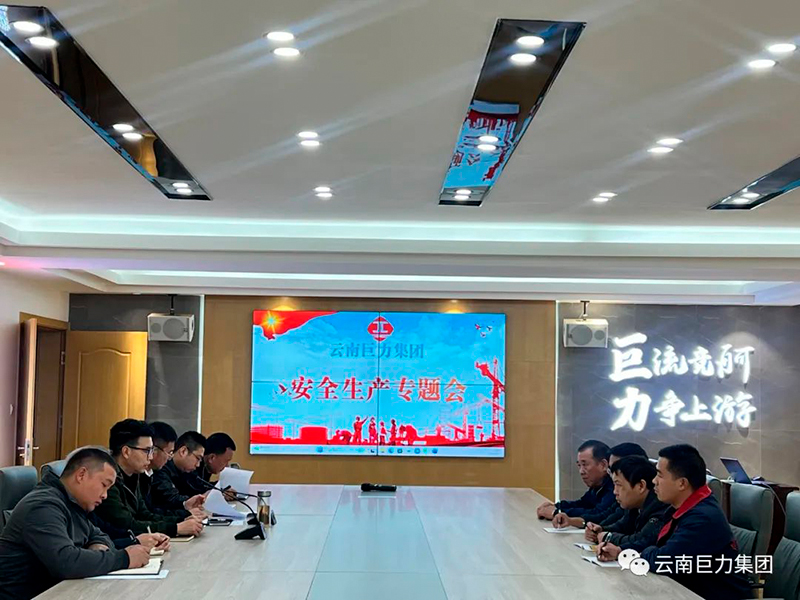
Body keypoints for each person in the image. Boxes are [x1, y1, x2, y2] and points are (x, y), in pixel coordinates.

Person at [0, 448, 151, 600]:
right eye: (104, 485)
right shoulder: (43, 506)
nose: (105, 495)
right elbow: (66, 562)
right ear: (81, 475)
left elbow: (100, 535)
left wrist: (97, 546)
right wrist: (125, 558)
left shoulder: (73, 504)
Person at [640, 444, 751, 600]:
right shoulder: (681, 507)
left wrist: (645, 552)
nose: (654, 481)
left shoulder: (702, 518)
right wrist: (621, 551)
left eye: (660, 475)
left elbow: (664, 561)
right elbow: (652, 542)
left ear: (682, 483)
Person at [94, 419, 203, 538]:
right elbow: (127, 525)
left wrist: (182, 519)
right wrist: (176, 528)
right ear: (126, 452)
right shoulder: (107, 481)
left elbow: (144, 514)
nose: (150, 457)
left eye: (152, 450)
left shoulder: (134, 476)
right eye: (147, 451)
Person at [595, 456, 669, 560]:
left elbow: (643, 540)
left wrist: (608, 537)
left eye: (619, 485)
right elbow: (622, 526)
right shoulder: (634, 505)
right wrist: (600, 530)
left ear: (641, 486)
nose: (615, 492)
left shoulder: (660, 507)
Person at [537, 440, 612, 520]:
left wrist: (557, 512)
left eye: (585, 464)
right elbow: (583, 504)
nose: (581, 471)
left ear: (603, 465)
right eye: (579, 465)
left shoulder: (614, 486)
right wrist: (556, 506)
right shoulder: (597, 486)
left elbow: (598, 514)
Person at [151, 431, 208, 513]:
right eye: (198, 458)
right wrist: (188, 503)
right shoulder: (161, 468)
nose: (198, 465)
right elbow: (170, 498)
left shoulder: (185, 472)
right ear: (183, 451)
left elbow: (198, 487)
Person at [179, 432, 238, 499]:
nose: (227, 466)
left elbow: (203, 486)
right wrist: (219, 492)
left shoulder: (206, 467)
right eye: (226, 461)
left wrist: (222, 488)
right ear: (212, 458)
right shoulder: (192, 467)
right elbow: (194, 491)